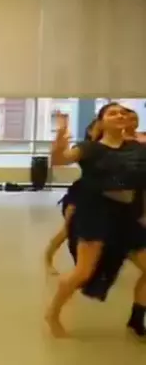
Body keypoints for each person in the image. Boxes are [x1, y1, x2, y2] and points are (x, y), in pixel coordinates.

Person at [47, 103, 146, 338]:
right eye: (112, 113)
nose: (120, 115)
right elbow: (60, 159)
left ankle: (136, 317)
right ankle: (52, 314)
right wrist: (60, 140)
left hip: (126, 216)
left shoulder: (137, 148)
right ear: (101, 122)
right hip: (96, 214)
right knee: (82, 272)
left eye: (123, 112)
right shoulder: (90, 148)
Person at [44, 120, 98, 275]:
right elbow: (60, 158)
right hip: (81, 195)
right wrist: (60, 137)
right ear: (90, 131)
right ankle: (48, 259)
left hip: (103, 196)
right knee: (68, 230)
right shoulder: (86, 148)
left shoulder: (119, 148)